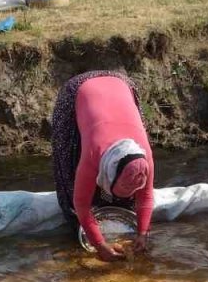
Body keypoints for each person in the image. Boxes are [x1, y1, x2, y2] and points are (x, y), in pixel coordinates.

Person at [51, 70, 155, 262]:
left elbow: (146, 197)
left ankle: (115, 207)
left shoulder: (144, 157)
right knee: (69, 169)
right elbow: (81, 204)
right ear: (107, 172)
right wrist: (99, 244)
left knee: (128, 197)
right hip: (80, 90)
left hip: (120, 84)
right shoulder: (93, 153)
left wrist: (142, 233)